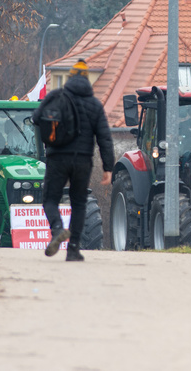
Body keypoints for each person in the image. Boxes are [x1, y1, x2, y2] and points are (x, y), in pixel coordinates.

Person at [35, 59, 114, 262]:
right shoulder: (94, 105)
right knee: (79, 203)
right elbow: (104, 137)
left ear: (69, 77)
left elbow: (36, 117)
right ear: (87, 80)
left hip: (57, 157)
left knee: (50, 199)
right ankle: (73, 250)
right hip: (82, 160)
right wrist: (108, 167)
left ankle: (58, 229)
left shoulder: (56, 96)